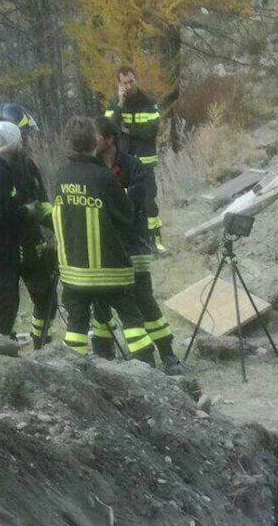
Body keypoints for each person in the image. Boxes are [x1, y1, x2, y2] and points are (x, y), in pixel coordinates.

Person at [51, 116, 156, 365]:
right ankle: (147, 368)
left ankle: (73, 375)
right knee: (132, 320)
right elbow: (126, 215)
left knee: (76, 325)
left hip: (74, 275)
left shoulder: (60, 177)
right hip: (111, 272)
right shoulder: (103, 177)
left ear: (68, 143)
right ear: (92, 143)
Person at [90, 117, 183, 374]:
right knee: (101, 301)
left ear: (109, 139)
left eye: (96, 136)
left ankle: (167, 354)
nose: (91, 141)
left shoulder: (132, 165)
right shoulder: (90, 167)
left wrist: (116, 199)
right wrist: (122, 198)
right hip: (105, 245)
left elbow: (145, 193)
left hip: (134, 242)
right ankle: (104, 355)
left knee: (143, 298)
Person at [0, 104, 57, 348]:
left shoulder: (27, 166)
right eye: (23, 135)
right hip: (5, 251)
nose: (25, 142)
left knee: (45, 297)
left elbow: (41, 204)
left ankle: (42, 343)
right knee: (4, 304)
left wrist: (60, 227)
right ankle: (2, 349)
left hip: (31, 245)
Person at [105, 66, 166, 254]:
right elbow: (109, 129)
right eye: (125, 83)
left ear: (136, 80)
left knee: (148, 200)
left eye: (131, 81)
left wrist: (130, 130)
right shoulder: (115, 103)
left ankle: (155, 240)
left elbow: (152, 130)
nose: (129, 86)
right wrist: (120, 105)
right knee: (123, 200)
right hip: (123, 162)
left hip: (145, 161)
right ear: (119, 84)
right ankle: (130, 241)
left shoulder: (148, 102)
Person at [0, 122, 26, 338]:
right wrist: (26, 212)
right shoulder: (0, 171)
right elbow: (0, 215)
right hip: (0, 256)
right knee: (4, 307)